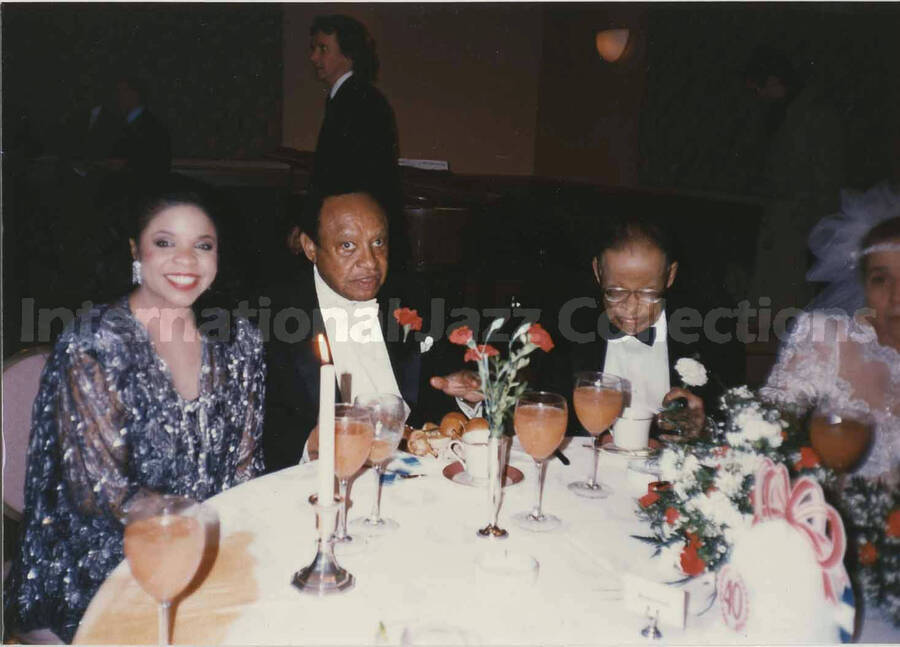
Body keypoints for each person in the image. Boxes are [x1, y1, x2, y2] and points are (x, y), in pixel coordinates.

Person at [3, 184, 265, 642]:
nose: (186, 260)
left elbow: (246, 467)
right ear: (135, 251)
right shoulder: (95, 343)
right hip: (100, 566)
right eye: (165, 243)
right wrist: (192, 534)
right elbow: (100, 494)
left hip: (208, 552)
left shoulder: (236, 341)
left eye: (202, 246)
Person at [263, 189, 478, 472]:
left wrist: (465, 393)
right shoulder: (272, 318)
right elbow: (265, 433)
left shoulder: (415, 298)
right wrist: (309, 444)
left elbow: (440, 392)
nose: (370, 263)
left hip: (417, 475)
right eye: (348, 246)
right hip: (323, 481)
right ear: (311, 247)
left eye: (378, 242)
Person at [539, 216, 743, 437]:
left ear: (670, 275)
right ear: (598, 272)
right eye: (615, 292)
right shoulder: (565, 333)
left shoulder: (710, 334)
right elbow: (547, 415)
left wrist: (705, 425)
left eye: (648, 293)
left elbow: (731, 419)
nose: (631, 308)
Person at [762, 182, 900, 483]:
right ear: (862, 284)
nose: (896, 296)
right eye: (881, 279)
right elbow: (766, 431)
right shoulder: (826, 336)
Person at [307, 15, 404, 262]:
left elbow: (345, 176)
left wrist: (309, 224)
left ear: (348, 54)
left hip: (357, 227)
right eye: (314, 49)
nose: (314, 57)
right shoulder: (350, 97)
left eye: (323, 48)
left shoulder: (357, 100)